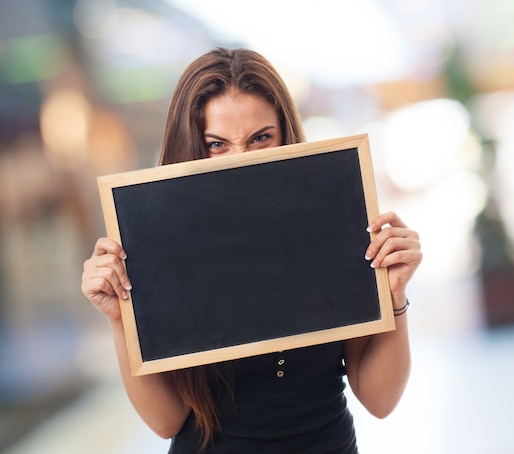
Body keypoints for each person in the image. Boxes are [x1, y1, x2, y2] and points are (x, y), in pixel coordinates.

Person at [81, 47, 423, 453]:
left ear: (285, 134)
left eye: (261, 137)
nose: (240, 160)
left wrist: (395, 292)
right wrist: (121, 318)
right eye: (217, 144)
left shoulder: (331, 219)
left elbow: (380, 400)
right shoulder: (161, 247)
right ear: (192, 147)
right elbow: (165, 420)